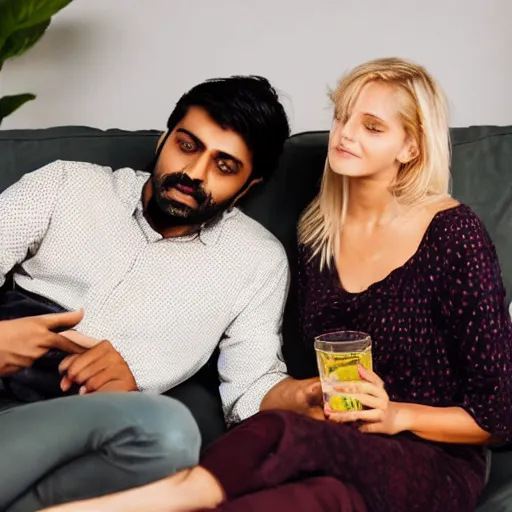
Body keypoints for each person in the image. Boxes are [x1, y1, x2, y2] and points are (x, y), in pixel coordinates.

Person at [46, 58, 512, 512]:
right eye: (342, 117)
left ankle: (160, 499)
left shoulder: (453, 235)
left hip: (434, 459)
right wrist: (310, 397)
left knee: (286, 434)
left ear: (410, 148)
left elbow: (499, 413)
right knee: (310, 498)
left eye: (372, 126)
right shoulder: (317, 235)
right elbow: (280, 384)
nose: (345, 134)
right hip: (344, 446)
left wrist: (397, 416)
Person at [0, 76, 323, 511]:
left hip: (95, 429)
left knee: (169, 433)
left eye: (224, 166)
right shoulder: (65, 185)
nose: (194, 173)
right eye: (187, 146)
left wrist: (302, 396)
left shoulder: (257, 261)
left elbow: (250, 387)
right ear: (163, 139)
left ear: (249, 186)